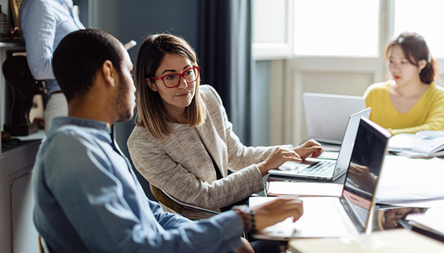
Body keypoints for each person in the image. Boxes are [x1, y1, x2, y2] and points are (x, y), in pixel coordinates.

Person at [33, 28, 304, 253]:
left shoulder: (95, 142)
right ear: (109, 73)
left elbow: (154, 214)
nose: (135, 84)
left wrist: (225, 236)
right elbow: (136, 248)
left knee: (295, 240)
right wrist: (241, 221)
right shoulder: (73, 151)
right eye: (128, 72)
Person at [127, 33, 323, 220]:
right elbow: (205, 198)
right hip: (203, 227)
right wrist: (264, 167)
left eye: (188, 72)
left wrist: (291, 152)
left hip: (238, 208)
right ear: (151, 84)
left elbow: (237, 155)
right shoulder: (143, 143)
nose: (184, 84)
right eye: (170, 77)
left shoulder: (208, 98)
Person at [364, 32, 444, 135]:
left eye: (403, 62)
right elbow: (359, 129)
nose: (395, 69)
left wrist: (387, 134)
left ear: (421, 65)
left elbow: (433, 129)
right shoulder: (374, 93)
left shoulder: (437, 95)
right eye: (391, 61)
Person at [19, 0, 85, 132]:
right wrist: (91, 64)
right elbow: (40, 67)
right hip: (66, 105)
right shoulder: (40, 3)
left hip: (83, 101)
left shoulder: (67, 5)